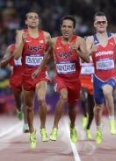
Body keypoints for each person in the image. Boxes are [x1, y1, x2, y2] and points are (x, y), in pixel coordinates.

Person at [33, 15, 89, 143]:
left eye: (69, 27)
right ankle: (54, 128)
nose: (66, 29)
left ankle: (73, 127)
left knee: (72, 108)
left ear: (74, 29)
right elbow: (47, 56)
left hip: (75, 80)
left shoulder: (79, 41)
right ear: (60, 27)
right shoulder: (53, 41)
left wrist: (78, 51)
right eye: (64, 26)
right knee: (63, 97)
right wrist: (38, 69)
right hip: (61, 78)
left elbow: (87, 59)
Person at [85, 12, 116, 145]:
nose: (101, 24)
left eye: (103, 22)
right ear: (94, 24)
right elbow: (84, 56)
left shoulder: (115, 37)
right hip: (98, 76)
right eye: (99, 22)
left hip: (112, 74)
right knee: (97, 107)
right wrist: (91, 50)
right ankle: (98, 130)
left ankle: (112, 120)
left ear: (107, 23)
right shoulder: (90, 39)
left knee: (108, 91)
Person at [14, 12, 51, 149]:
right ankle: (32, 133)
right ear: (26, 21)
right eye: (30, 17)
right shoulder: (21, 34)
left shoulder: (46, 35)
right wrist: (23, 43)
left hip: (40, 73)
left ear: (39, 21)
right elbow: (17, 56)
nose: (34, 19)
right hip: (26, 75)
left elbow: (50, 53)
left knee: (41, 100)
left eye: (36, 17)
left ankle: (42, 128)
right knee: (29, 107)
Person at [0, 44, 29, 133]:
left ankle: (25, 124)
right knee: (18, 101)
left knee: (25, 99)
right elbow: (2, 64)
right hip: (15, 77)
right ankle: (19, 110)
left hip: (27, 76)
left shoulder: (30, 46)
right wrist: (12, 56)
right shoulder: (11, 48)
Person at [80, 57, 95, 139]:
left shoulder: (95, 50)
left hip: (92, 81)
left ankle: (88, 128)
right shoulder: (80, 50)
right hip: (82, 80)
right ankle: (85, 115)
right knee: (83, 97)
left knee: (92, 108)